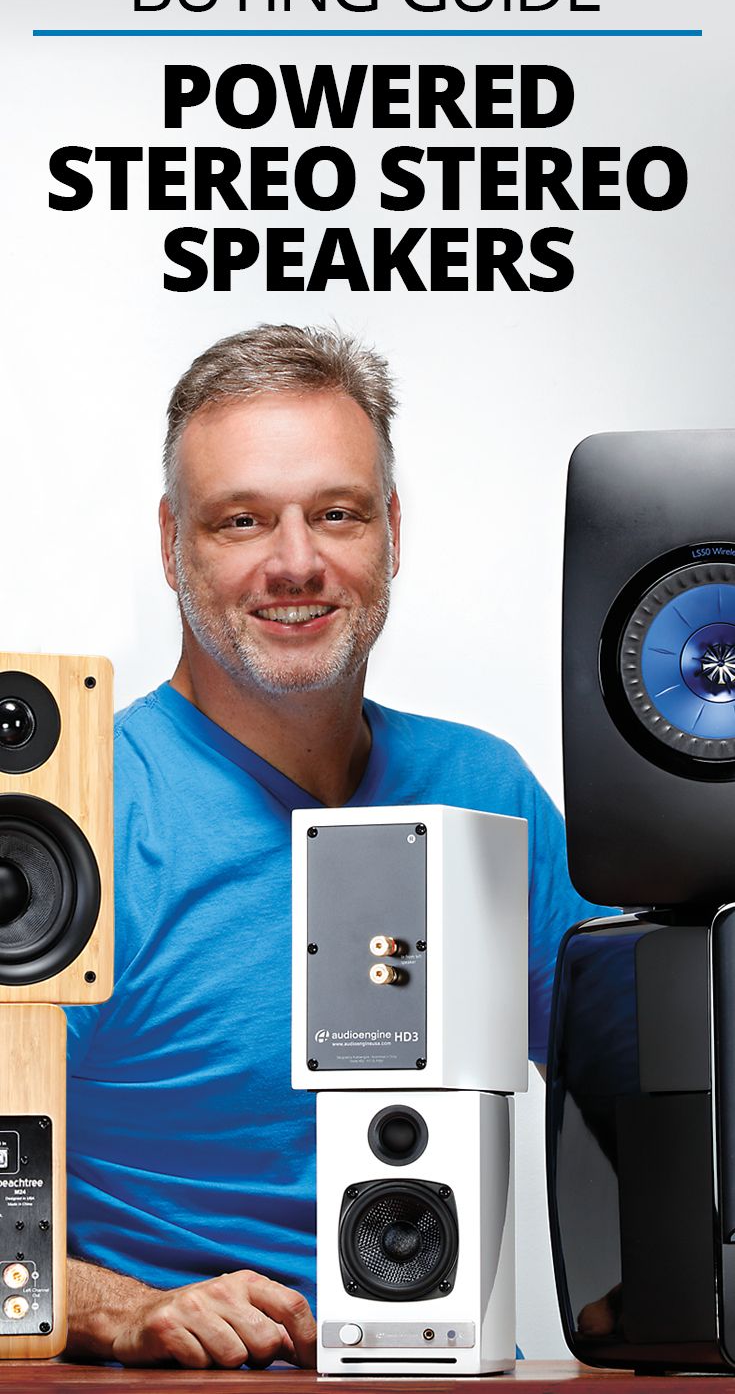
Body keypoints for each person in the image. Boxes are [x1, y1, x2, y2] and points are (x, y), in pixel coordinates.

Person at [65, 323, 610, 1369]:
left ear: (392, 531)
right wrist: (120, 1309)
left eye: (336, 513)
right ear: (172, 541)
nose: (296, 562)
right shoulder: (80, 811)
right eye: (242, 521)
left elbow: (653, 1105)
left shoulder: (484, 791)